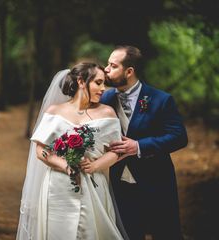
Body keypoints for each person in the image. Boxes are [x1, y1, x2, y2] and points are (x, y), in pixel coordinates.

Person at [16, 62, 129, 240]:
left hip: (93, 182)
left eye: (104, 83)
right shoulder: (54, 111)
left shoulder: (107, 113)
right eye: (98, 83)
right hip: (57, 185)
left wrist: (95, 165)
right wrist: (66, 165)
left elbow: (116, 151)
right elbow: (41, 150)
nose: (103, 89)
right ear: (81, 82)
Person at [100, 45, 188, 240]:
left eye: (112, 66)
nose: (106, 69)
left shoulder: (161, 99)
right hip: (118, 183)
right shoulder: (104, 98)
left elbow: (179, 136)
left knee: (165, 233)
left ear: (129, 71)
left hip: (156, 182)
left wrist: (139, 146)